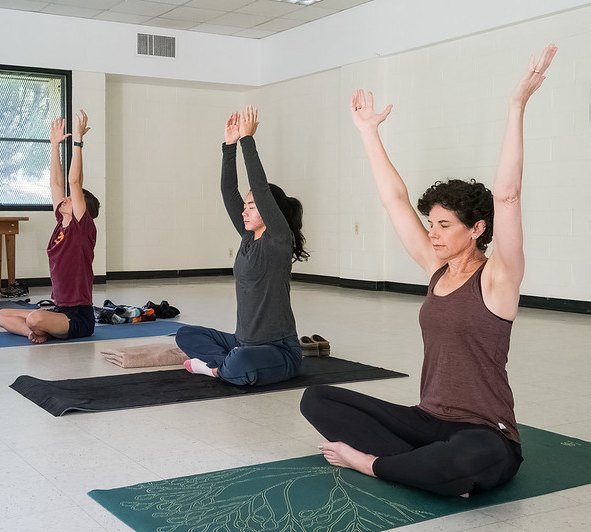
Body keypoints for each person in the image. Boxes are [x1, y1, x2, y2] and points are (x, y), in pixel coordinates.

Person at [300, 44, 558, 497]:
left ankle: (374, 464)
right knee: (316, 398)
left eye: (444, 225)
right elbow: (394, 200)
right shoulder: (437, 269)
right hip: (426, 421)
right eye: (431, 225)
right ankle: (426, 470)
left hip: (485, 433)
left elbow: (509, 196)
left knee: (468, 458)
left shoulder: (499, 278)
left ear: (477, 228)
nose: (433, 234)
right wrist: (367, 132)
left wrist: (517, 105)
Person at [176, 105, 309, 386]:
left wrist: (248, 139)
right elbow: (228, 191)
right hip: (242, 341)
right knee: (185, 335)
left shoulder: (278, 239)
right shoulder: (249, 237)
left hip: (280, 350)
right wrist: (229, 145)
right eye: (245, 206)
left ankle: (215, 369)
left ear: (268, 210)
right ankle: (229, 364)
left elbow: (260, 188)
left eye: (252, 206)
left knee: (242, 362)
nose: (244, 211)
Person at [0, 111, 100, 343]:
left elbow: (74, 181)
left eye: (72, 198)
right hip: (58, 310)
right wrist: (53, 146)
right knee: (2, 315)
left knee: (35, 317)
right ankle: (33, 333)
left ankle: (38, 327)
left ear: (83, 209)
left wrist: (78, 142)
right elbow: (55, 182)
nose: (66, 198)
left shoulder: (81, 229)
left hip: (78, 318)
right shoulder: (61, 225)